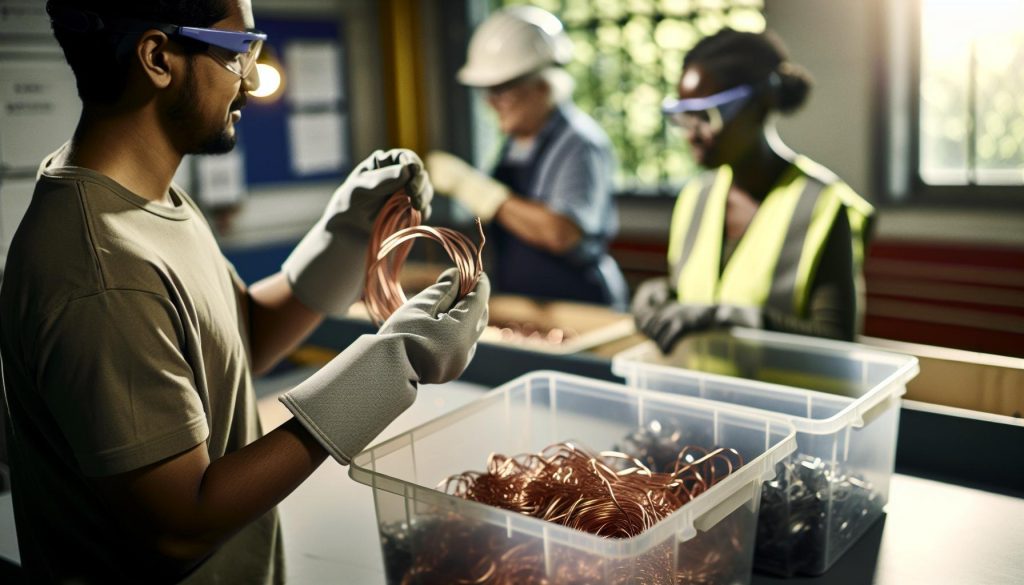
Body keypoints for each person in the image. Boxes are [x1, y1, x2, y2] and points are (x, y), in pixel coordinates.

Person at [0, 1, 489, 583]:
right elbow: (183, 525)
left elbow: (237, 343)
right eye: (238, 53)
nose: (252, 81)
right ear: (158, 58)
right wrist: (393, 365)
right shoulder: (100, 270)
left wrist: (344, 238)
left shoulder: (151, 202)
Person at [633, 28, 874, 354]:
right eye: (684, 116)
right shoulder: (695, 198)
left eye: (706, 115)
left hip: (781, 400)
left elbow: (836, 345)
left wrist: (732, 320)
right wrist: (661, 293)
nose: (692, 133)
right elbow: (693, 296)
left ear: (760, 104)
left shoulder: (823, 206)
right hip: (696, 394)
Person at [425, 6, 628, 310]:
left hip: (579, 304)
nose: (492, 103)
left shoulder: (580, 144)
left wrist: (477, 190)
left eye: (502, 91)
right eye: (487, 92)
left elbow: (562, 233)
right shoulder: (516, 143)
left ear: (544, 87)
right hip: (527, 302)